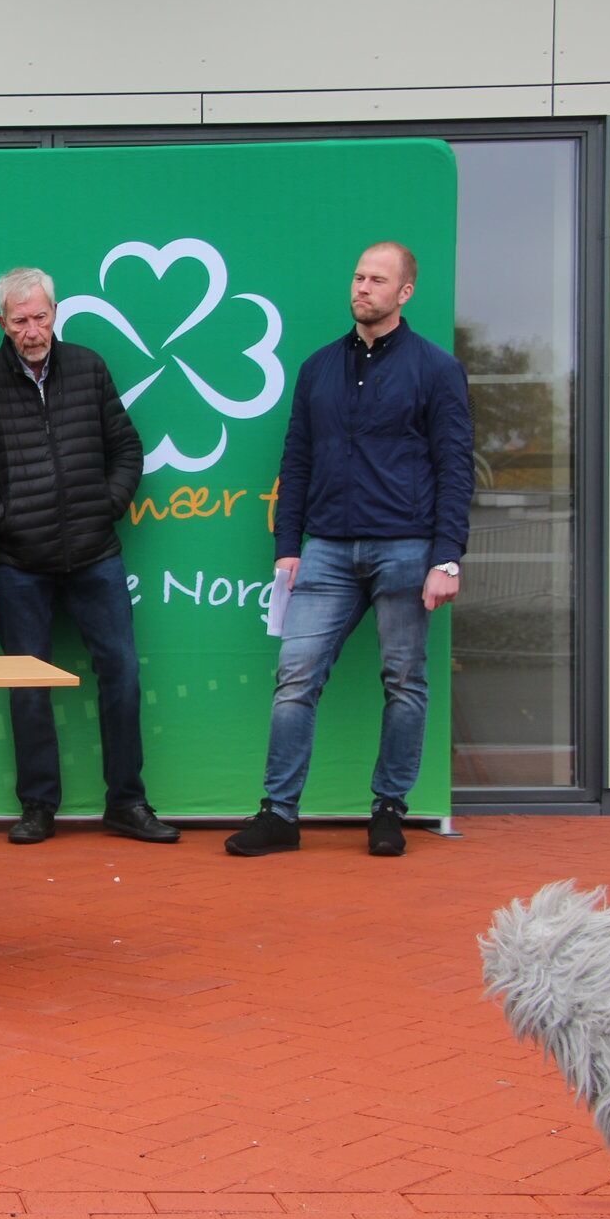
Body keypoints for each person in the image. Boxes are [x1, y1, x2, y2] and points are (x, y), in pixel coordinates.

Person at [227, 242, 473, 859]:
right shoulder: (318, 368)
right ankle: (279, 815)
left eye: (377, 280)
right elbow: (297, 460)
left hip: (407, 548)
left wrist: (447, 558)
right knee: (295, 677)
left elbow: (455, 466)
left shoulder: (436, 369)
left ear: (404, 292)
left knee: (404, 681)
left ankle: (389, 810)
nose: (362, 287)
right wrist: (288, 546)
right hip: (327, 550)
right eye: (359, 277)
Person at [0, 267, 176, 848]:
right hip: (18, 563)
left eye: (41, 317)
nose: (33, 330)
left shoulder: (89, 368)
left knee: (122, 672)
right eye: (20, 321)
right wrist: (7, 520)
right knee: (28, 683)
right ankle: (38, 806)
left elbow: (126, 448)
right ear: (2, 323)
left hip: (96, 554)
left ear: (55, 314)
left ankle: (128, 802)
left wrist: (106, 506)